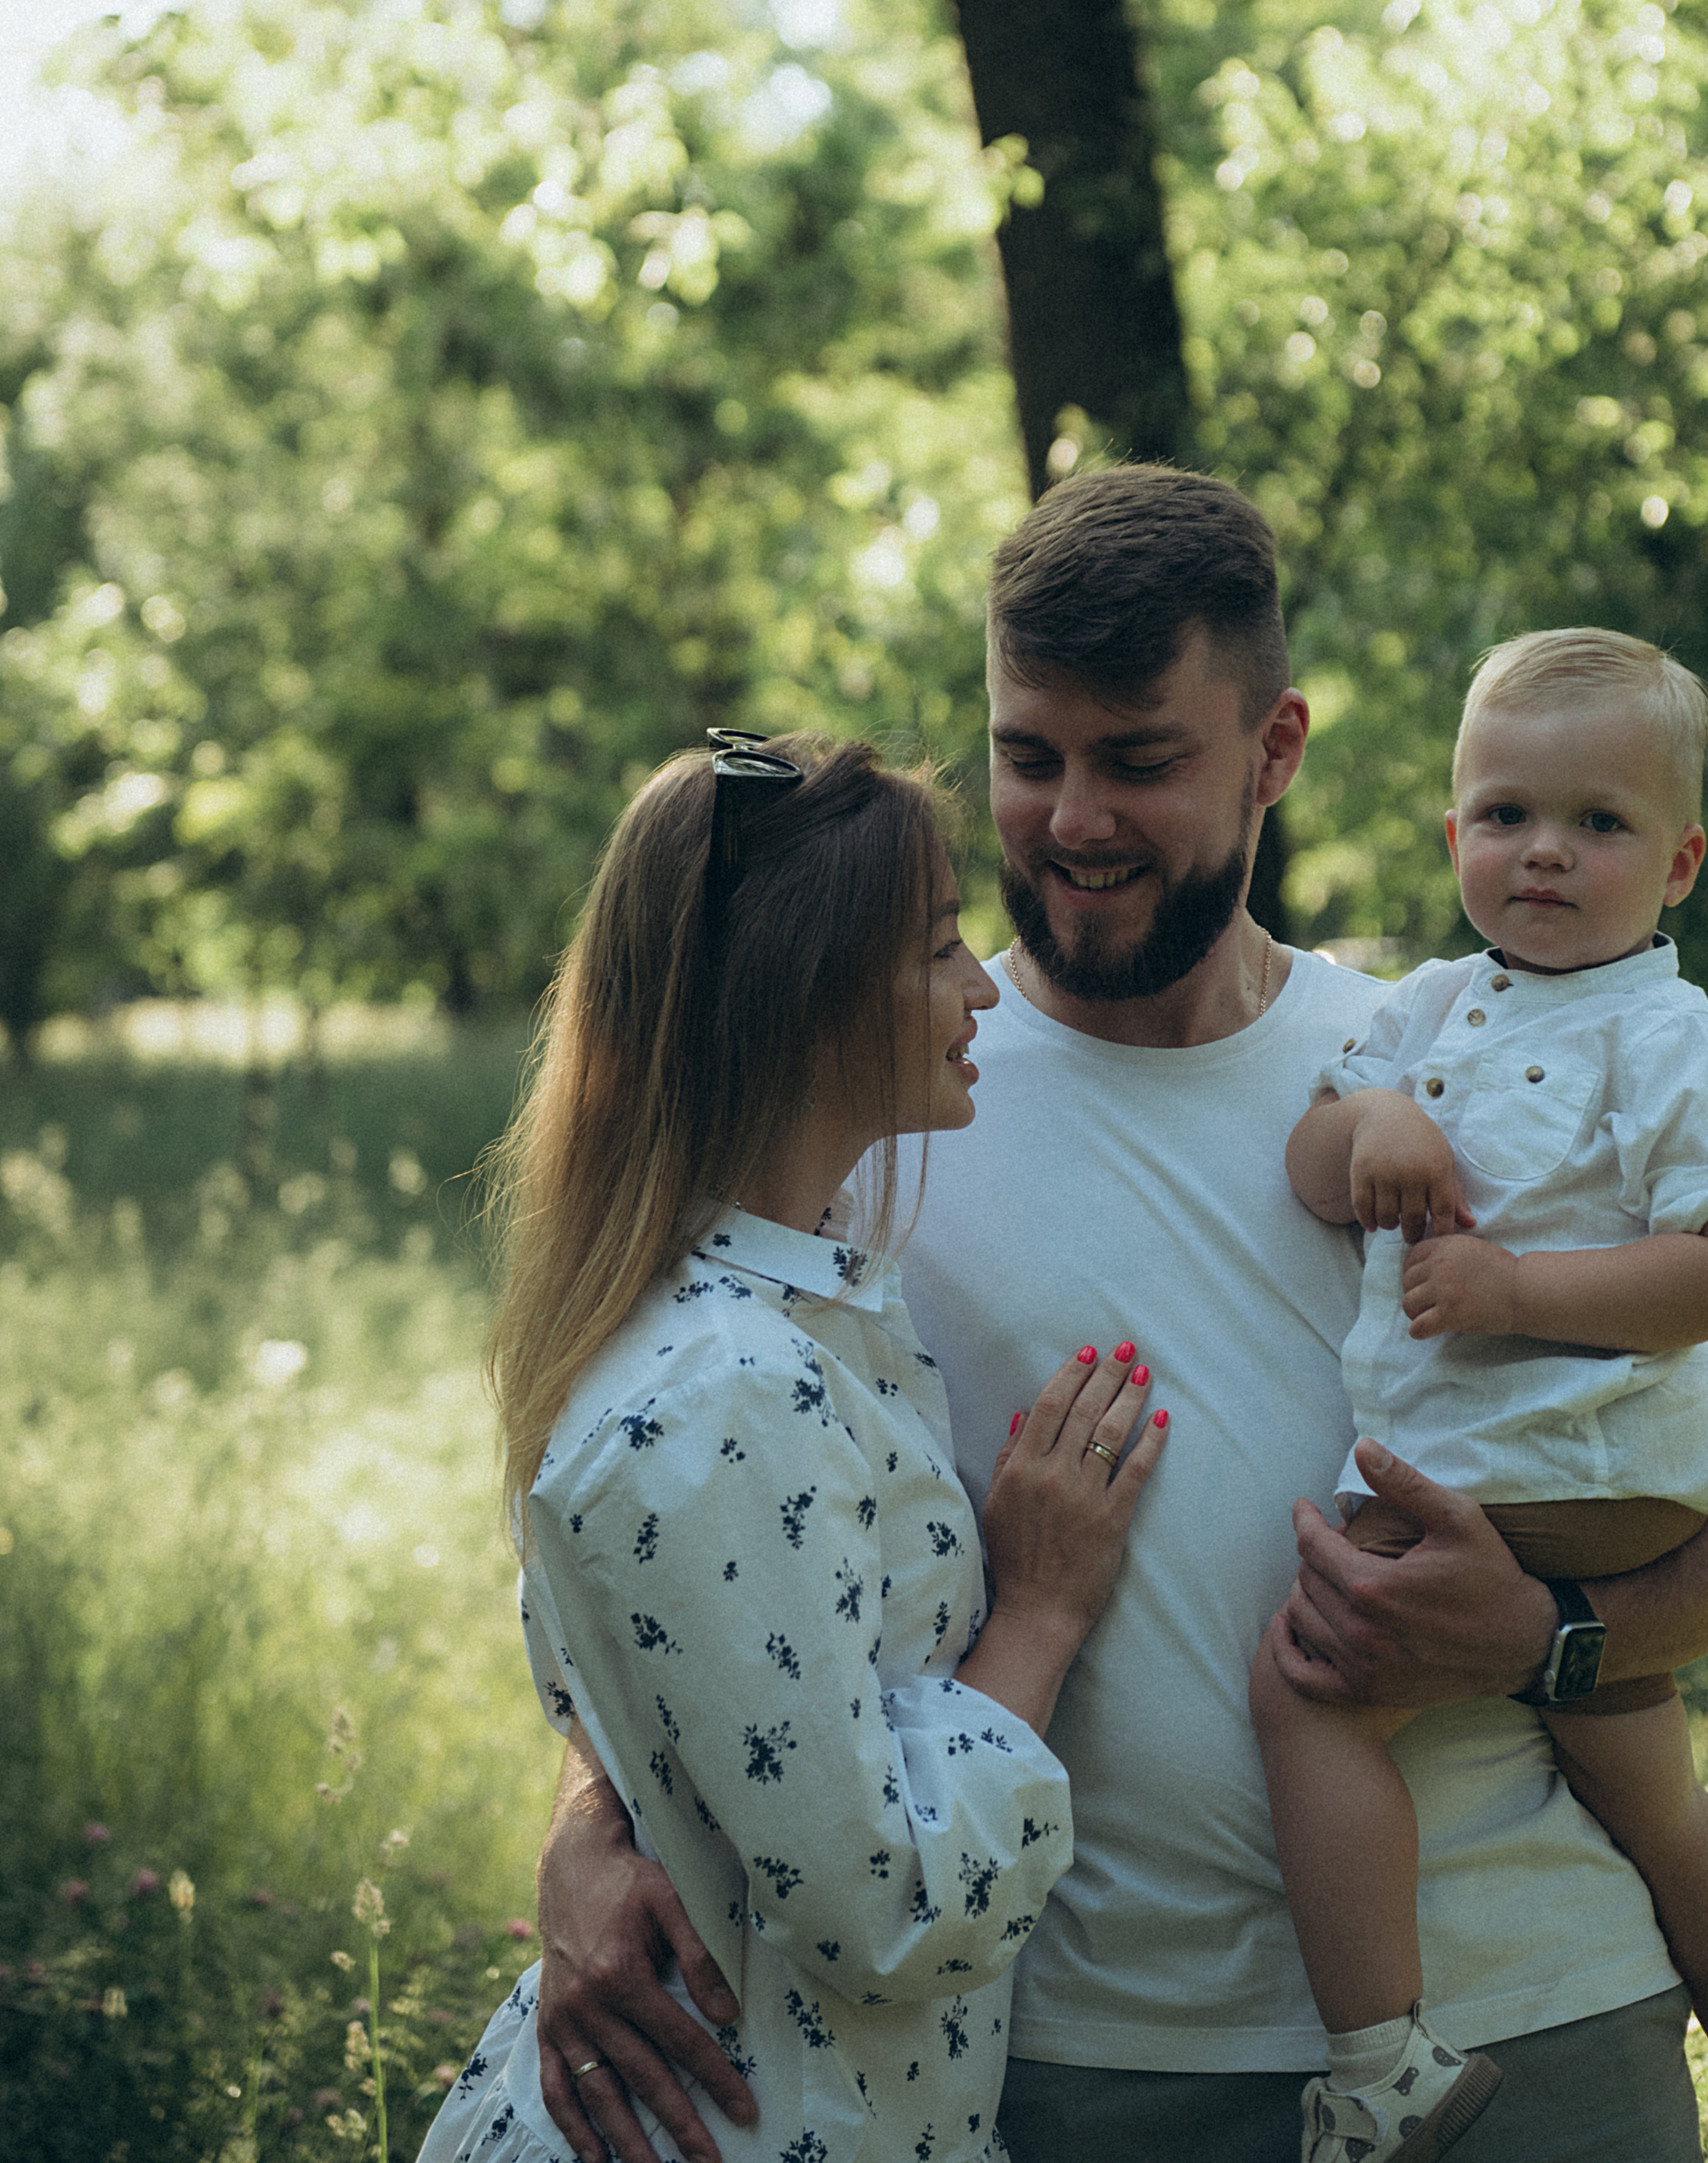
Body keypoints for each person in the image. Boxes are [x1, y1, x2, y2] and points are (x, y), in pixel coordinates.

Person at [527, 472, 1708, 2163]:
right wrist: (586, 1832)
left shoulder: (1448, 1064)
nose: (1072, 817)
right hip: (1077, 2053)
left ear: (1272, 750)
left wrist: (1537, 1639)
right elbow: (685, 1560)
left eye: (1138, 757)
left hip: (1527, 2011)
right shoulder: (880, 1108)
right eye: (1026, 753)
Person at [418, 732, 1166, 2163]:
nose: (984, 987)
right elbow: (886, 1903)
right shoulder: (726, 1396)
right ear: (804, 999)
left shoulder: (789, 1307)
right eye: (941, 949)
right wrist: (1046, 1609)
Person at [1254, 629, 1708, 2163]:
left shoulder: (1667, 1037)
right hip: (1555, 1476)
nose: (1544, 852)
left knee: (1305, 1695)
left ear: (1675, 863)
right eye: (1504, 814)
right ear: (1450, 829)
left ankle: (1382, 2060)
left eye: (1596, 824)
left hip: (1551, 1458)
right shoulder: (1418, 1009)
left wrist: (1515, 1292)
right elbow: (1308, 1155)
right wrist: (1376, 1130)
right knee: (1646, 1790)